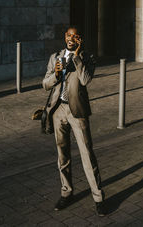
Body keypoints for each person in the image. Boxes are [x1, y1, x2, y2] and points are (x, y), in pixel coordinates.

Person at [42, 26, 105, 216]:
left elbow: (85, 80)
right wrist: (56, 75)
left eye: (75, 36)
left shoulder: (87, 58)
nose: (71, 38)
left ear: (79, 39)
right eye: (69, 35)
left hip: (77, 111)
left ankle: (99, 198)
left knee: (87, 154)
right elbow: (45, 84)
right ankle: (66, 192)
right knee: (63, 155)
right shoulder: (55, 57)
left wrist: (77, 57)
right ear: (65, 37)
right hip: (58, 110)